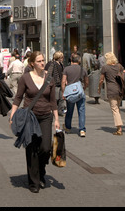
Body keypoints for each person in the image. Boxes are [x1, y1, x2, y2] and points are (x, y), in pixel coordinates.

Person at [9, 51, 60, 193]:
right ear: (32, 63)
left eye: (43, 60)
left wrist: (56, 119)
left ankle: (41, 170)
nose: (42, 63)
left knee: (45, 148)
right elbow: (18, 98)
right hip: (29, 118)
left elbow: (53, 101)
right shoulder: (25, 78)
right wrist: (12, 115)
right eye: (39, 61)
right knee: (31, 149)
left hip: (45, 117)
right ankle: (34, 182)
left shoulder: (49, 78)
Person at [97, 52, 125, 135]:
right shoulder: (119, 66)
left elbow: (101, 80)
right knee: (117, 108)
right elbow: (124, 74)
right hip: (120, 90)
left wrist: (99, 88)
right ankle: (118, 127)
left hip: (111, 90)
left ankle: (119, 129)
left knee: (115, 109)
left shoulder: (105, 68)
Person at [61, 53, 88, 137]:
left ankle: (68, 128)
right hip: (80, 93)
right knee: (81, 111)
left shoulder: (66, 69)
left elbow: (63, 81)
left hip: (70, 93)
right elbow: (86, 82)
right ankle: (82, 130)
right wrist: (84, 88)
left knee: (69, 111)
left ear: (71, 60)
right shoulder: (83, 70)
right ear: (79, 61)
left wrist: (63, 92)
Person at [46, 51, 65, 116]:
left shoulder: (61, 64)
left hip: (60, 83)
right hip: (55, 83)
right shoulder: (53, 64)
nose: (62, 58)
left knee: (61, 98)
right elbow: (49, 73)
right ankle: (54, 110)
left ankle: (60, 111)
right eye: (61, 57)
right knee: (56, 98)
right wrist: (49, 82)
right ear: (58, 57)